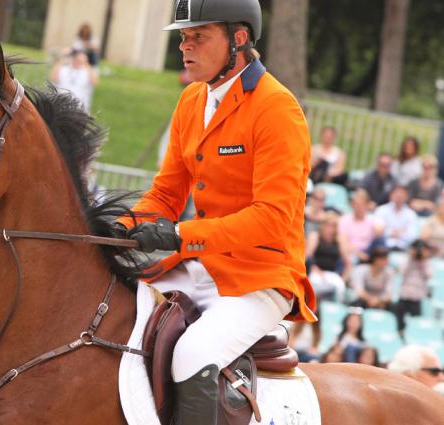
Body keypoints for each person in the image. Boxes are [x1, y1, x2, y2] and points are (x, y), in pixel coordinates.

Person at [117, 1, 315, 422]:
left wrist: (179, 235)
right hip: (199, 265)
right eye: (183, 37)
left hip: (260, 277)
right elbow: (166, 194)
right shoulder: (191, 100)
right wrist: (117, 227)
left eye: (198, 36)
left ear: (238, 40)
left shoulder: (276, 108)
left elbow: (272, 217)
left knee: (193, 354)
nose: (185, 48)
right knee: (111, 316)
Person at [306, 212, 351, 302]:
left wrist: (343, 279)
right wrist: (315, 269)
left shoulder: (339, 240)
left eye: (334, 226)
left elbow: (348, 263)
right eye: (328, 225)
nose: (330, 229)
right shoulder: (315, 237)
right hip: (315, 272)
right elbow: (307, 256)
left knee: (340, 286)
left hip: (332, 274)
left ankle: (336, 310)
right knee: (314, 283)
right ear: (322, 225)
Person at [394, 239, 432, 331]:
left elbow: (428, 275)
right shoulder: (407, 261)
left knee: (416, 323)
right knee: (398, 321)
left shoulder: (426, 263)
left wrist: (423, 260)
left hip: (417, 297)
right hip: (404, 295)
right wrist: (411, 257)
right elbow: (401, 271)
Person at [338, 189, 383, 262]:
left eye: (362, 204)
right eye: (356, 204)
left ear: (367, 205)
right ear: (352, 204)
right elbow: (343, 243)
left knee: (381, 240)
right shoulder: (344, 220)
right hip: (353, 252)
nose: (359, 207)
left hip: (369, 251)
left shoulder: (372, 220)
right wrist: (359, 254)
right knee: (349, 257)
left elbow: (380, 231)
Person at [374, 185, 418, 251]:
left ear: (407, 197)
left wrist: (400, 234)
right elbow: (377, 231)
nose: (399, 196)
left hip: (404, 247)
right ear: (391, 195)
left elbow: (412, 234)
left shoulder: (411, 214)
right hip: (384, 246)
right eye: (396, 194)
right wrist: (391, 232)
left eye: (402, 194)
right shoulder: (381, 210)